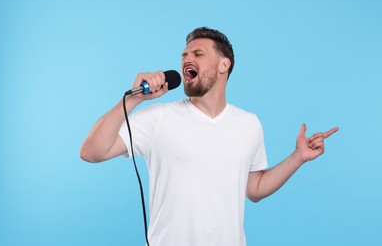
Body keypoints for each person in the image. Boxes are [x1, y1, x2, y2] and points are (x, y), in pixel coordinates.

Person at [80, 27, 339, 246]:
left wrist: (297, 158)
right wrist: (134, 99)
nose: (185, 59)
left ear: (223, 64)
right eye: (184, 55)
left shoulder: (249, 124)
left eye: (197, 53)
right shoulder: (158, 118)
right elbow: (92, 152)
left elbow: (255, 189)